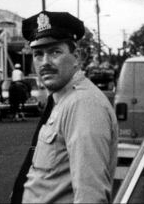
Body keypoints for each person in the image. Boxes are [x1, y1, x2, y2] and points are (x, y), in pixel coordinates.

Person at [11, 11, 118, 203]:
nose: (45, 62)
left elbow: (91, 195)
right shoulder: (63, 99)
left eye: (55, 52)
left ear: (76, 56)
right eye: (38, 54)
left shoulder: (83, 104)